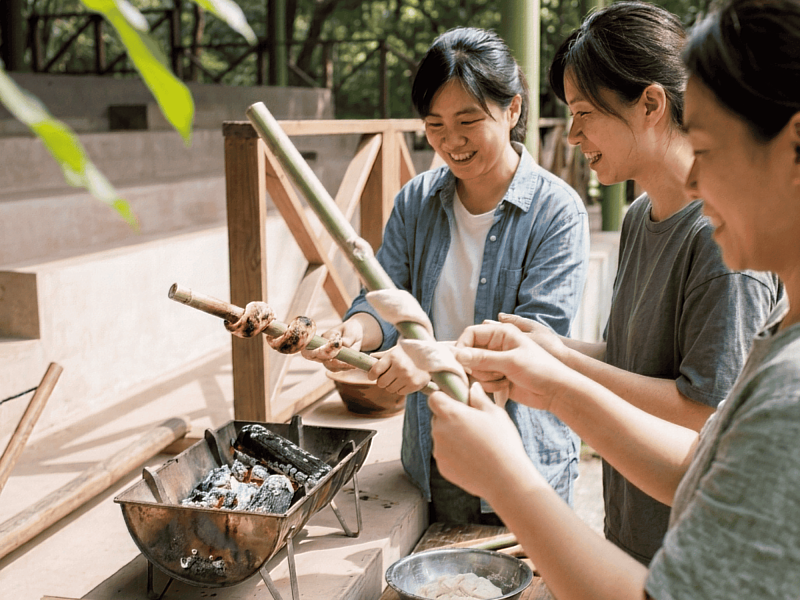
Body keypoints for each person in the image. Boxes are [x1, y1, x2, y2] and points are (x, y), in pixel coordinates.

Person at [427, 0, 800, 597]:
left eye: (705, 147)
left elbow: (697, 421)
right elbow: (701, 465)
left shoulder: (784, 380)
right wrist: (552, 371)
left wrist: (507, 477)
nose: (695, 181)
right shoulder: (780, 340)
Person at [308, 27, 590, 524]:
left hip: (525, 462)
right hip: (434, 453)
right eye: (434, 124)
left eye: (468, 121)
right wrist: (349, 332)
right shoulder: (417, 200)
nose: (450, 142)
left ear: (513, 111)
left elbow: (533, 345)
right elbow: (382, 298)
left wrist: (432, 361)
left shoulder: (557, 211)